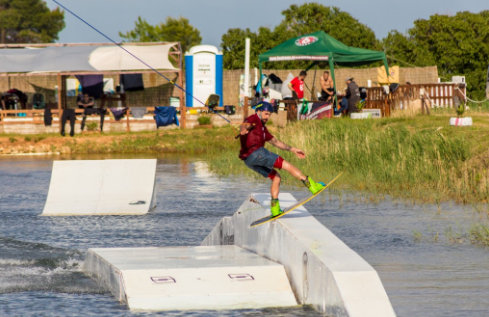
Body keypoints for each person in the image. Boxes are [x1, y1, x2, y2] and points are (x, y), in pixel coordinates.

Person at [239, 101, 325, 217]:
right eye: (265, 114)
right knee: (287, 166)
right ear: (258, 112)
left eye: (269, 114)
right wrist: (243, 129)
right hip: (257, 153)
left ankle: (275, 209)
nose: (267, 117)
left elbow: (275, 142)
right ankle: (312, 186)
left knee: (276, 177)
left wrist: (293, 149)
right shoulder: (253, 119)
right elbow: (245, 125)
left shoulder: (262, 129)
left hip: (249, 161)